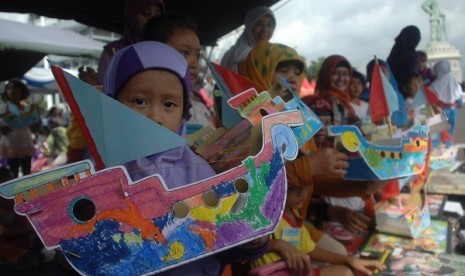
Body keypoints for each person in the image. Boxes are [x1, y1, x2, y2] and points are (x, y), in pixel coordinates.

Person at [241, 42, 387, 255]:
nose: (292, 77)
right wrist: (305, 167)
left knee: (345, 255)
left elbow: (313, 182)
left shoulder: (298, 120)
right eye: (282, 69)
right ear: (259, 70)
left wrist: (364, 186)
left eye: (297, 72)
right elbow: (246, 189)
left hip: (296, 224)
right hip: (260, 236)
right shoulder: (242, 123)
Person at [66, 0, 165, 164]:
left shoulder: (166, 50)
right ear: (131, 16)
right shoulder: (114, 52)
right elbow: (110, 97)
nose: (152, 20)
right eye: (145, 13)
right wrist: (97, 86)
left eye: (157, 14)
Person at [250, 172, 386, 276]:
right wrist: (276, 245)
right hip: (274, 272)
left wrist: (349, 260)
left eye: (306, 186)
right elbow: (247, 247)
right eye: (294, 187)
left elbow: (309, 249)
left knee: (345, 270)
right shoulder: (265, 218)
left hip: (292, 271)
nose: (303, 193)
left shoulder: (294, 214)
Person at [142, 13, 217, 131]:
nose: (194, 63)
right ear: (155, 55)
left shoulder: (199, 106)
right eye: (184, 53)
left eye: (197, 56)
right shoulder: (146, 111)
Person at [220, 5, 276, 73]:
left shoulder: (271, 52)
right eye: (259, 24)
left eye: (269, 25)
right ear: (250, 25)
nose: (265, 30)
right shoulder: (239, 54)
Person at [0, 79, 36, 178]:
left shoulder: (27, 107)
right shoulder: (3, 108)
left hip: (25, 142)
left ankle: (28, 191)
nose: (12, 90)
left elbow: (33, 123)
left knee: (27, 171)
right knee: (13, 172)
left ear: (21, 91)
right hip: (10, 143)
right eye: (9, 88)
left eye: (16, 88)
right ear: (6, 92)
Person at [314, 55, 359, 126]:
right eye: (335, 73)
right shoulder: (320, 104)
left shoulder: (344, 101)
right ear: (325, 75)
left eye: (345, 74)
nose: (341, 78)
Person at [366, 58, 408, 127]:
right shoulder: (370, 99)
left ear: (389, 73)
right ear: (370, 77)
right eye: (375, 72)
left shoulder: (398, 96)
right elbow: (369, 124)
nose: (380, 75)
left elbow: (405, 119)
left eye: (382, 71)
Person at [429, 59, 463, 139]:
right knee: (450, 132)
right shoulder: (453, 79)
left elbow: (429, 95)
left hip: (440, 110)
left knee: (441, 132)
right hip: (453, 110)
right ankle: (449, 146)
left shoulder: (435, 84)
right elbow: (458, 96)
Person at [386, 25, 421, 92]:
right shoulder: (412, 55)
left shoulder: (393, 54)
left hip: (391, 91)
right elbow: (412, 77)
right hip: (405, 93)